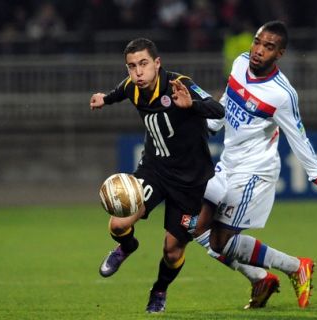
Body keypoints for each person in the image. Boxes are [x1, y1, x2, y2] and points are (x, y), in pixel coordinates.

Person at [192, 21, 317, 309]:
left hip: (254, 171)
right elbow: (227, 101)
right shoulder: (239, 64)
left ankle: (294, 266)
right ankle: (261, 277)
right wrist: (212, 124)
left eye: (269, 47)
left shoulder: (281, 94)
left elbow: (298, 135)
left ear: (280, 54)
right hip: (227, 165)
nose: (258, 50)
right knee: (193, 225)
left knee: (218, 240)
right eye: (257, 42)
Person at [89, 38, 224, 313]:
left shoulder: (179, 84)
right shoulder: (132, 87)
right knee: (117, 225)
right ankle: (127, 247)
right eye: (131, 66)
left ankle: (159, 290)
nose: (137, 72)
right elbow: (120, 91)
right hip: (155, 170)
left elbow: (218, 110)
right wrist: (104, 98)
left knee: (172, 250)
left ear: (157, 63)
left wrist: (192, 106)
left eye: (143, 64)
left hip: (190, 182)